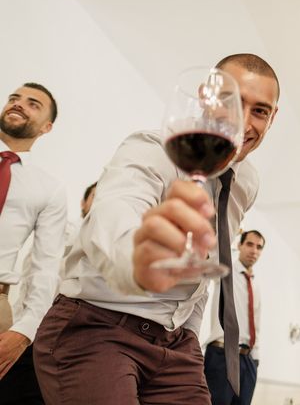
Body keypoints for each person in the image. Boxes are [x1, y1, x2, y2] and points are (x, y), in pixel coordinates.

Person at [33, 53, 279, 405]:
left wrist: (190, 335)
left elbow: (208, 263)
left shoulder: (246, 181)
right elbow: (113, 213)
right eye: (231, 101)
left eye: (259, 110)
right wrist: (138, 259)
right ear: (205, 97)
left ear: (273, 117)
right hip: (97, 329)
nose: (241, 122)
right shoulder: (150, 148)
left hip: (176, 345)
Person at [0, 83, 67, 404]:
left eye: (33, 103)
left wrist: (25, 329)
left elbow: (46, 267)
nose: (19, 104)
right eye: (14, 98)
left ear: (46, 127)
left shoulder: (49, 189)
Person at [204, 229, 265, 404]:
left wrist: (255, 358)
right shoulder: (226, 270)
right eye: (249, 244)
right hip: (221, 355)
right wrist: (228, 230)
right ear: (239, 245)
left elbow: (256, 323)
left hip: (247, 360)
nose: (254, 250)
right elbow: (213, 254)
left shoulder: (256, 284)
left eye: (259, 247)